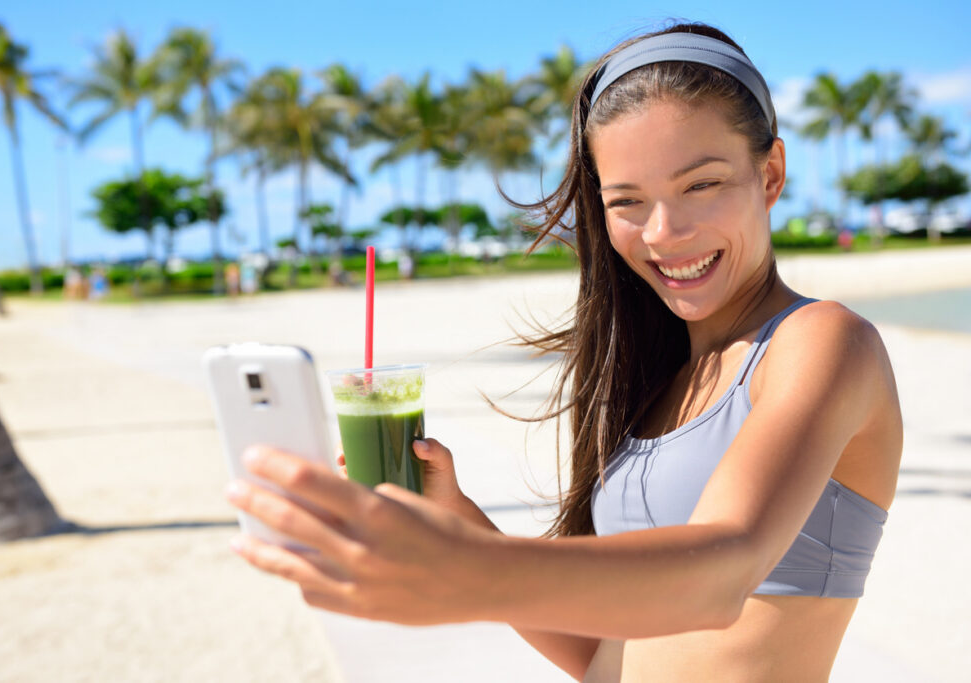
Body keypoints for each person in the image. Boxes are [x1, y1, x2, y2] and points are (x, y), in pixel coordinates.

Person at [224, 21, 902, 682]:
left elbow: (723, 574)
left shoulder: (822, 342)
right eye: (628, 200)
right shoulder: (666, 383)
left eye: (701, 184)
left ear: (771, 173)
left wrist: (464, 569)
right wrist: (459, 517)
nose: (665, 232)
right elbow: (601, 656)